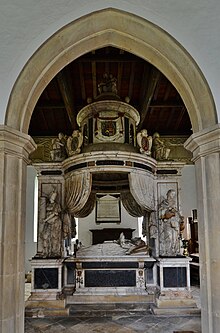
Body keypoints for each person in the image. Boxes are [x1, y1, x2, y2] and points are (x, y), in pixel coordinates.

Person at [158, 189, 183, 256]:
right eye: (171, 194)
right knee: (168, 237)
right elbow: (160, 213)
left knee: (174, 238)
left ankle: (174, 251)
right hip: (167, 223)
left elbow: (178, 213)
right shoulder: (164, 203)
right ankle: (167, 251)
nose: (172, 196)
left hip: (174, 223)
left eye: (173, 195)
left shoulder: (175, 203)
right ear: (168, 194)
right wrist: (167, 210)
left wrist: (177, 213)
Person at [41, 190, 62, 257]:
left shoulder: (56, 205)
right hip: (48, 223)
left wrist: (45, 220)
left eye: (55, 196)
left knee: (54, 238)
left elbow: (53, 214)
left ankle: (54, 252)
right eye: (53, 195)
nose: (54, 197)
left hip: (54, 222)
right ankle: (46, 252)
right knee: (45, 236)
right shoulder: (47, 204)